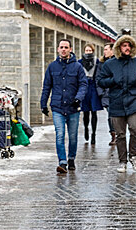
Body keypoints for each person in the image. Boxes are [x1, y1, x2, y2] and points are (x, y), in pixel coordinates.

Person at [97, 34, 136, 173]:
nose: (127, 48)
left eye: (129, 46)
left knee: (135, 129)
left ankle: (133, 155)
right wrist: (112, 80)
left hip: (134, 102)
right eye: (124, 45)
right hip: (117, 102)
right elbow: (101, 80)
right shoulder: (110, 64)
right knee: (120, 134)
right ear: (119, 48)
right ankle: (122, 160)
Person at [41, 39, 87, 174]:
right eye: (61, 47)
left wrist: (78, 98)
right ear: (57, 49)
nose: (63, 50)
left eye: (66, 47)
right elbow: (46, 87)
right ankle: (62, 161)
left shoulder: (78, 67)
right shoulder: (52, 67)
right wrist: (43, 104)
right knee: (59, 134)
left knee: (72, 136)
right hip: (58, 107)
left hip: (73, 107)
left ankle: (71, 157)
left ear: (70, 49)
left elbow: (83, 84)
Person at [79, 44, 103, 144]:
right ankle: (86, 128)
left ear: (93, 51)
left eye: (90, 50)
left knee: (94, 111)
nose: (88, 52)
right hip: (84, 87)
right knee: (85, 112)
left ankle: (93, 133)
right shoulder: (80, 62)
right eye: (86, 50)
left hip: (93, 87)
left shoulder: (97, 61)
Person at [97, 42, 116, 146]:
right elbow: (98, 78)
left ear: (112, 51)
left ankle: (118, 134)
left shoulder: (117, 62)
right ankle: (113, 135)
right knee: (110, 115)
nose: (104, 51)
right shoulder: (101, 63)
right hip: (106, 94)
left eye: (106, 49)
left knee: (116, 115)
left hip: (116, 93)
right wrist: (101, 92)